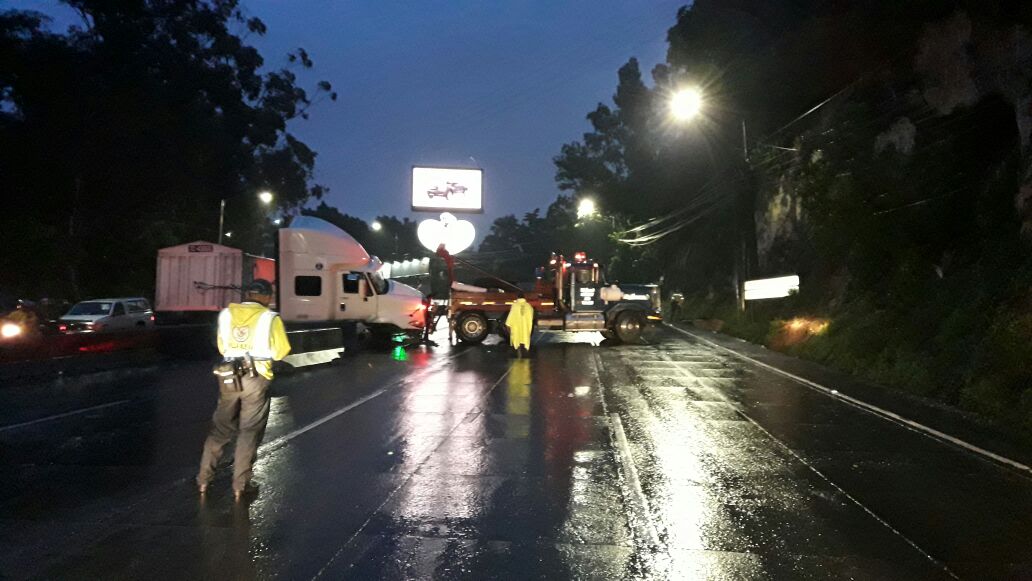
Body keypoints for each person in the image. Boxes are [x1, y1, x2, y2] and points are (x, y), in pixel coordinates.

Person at [197, 279, 290, 500]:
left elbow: (222, 346)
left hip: (228, 375)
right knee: (249, 430)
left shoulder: (226, 315)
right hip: (256, 377)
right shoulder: (270, 318)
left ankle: (203, 480)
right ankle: (241, 485)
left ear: (247, 295)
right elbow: (281, 351)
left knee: (220, 429)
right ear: (266, 297)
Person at [505, 291, 534, 357]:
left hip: (516, 330)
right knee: (525, 341)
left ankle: (519, 355)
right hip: (526, 330)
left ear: (517, 298)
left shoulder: (515, 306)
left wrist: (510, 330)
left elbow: (509, 320)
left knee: (517, 342)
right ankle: (525, 355)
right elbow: (531, 317)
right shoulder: (529, 306)